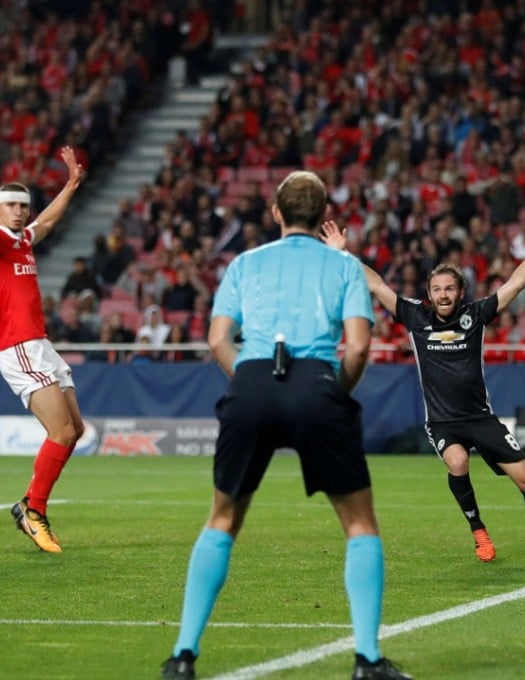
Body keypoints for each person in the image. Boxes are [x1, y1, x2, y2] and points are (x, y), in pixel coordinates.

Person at [160, 171, 411, 680]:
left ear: (276, 212)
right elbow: (360, 346)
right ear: (323, 218)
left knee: (222, 519)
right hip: (317, 383)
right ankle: (367, 660)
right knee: (359, 525)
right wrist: (333, 392)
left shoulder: (244, 264)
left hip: (252, 382)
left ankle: (183, 656)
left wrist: (249, 378)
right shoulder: (342, 265)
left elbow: (216, 340)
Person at [323, 209, 525, 563]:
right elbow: (377, 284)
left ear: (460, 292)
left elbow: (514, 284)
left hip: (480, 418)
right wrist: (342, 253)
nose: (443, 295)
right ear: (429, 293)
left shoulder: (476, 315)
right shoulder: (415, 317)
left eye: (449, 289)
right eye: (437, 289)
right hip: (442, 421)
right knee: (457, 463)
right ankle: (480, 534)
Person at [2, 146, 86, 553]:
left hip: (39, 344)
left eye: (23, 205)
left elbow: (48, 221)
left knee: (76, 431)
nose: (19, 212)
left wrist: (70, 185)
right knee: (62, 431)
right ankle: (34, 512)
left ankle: (27, 505)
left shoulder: (22, 240)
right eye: (11, 205)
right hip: (17, 346)